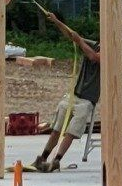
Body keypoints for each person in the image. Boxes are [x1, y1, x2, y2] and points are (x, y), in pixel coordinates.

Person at [33, 10, 101, 172]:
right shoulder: (95, 44)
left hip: (87, 100)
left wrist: (80, 41)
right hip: (74, 96)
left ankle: (56, 160)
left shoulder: (111, 51)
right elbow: (72, 35)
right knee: (57, 127)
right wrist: (56, 21)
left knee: (71, 131)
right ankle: (43, 158)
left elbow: (94, 57)